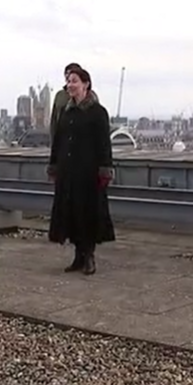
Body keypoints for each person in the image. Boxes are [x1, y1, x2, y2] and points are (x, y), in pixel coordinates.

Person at [47, 68, 115, 275]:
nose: (70, 85)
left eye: (74, 81)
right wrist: (54, 165)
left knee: (88, 213)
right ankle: (78, 255)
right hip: (69, 173)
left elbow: (104, 144)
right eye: (68, 81)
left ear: (86, 84)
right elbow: (57, 142)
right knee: (71, 214)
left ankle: (89, 255)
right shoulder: (66, 112)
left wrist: (104, 170)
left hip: (88, 174)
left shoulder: (97, 112)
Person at [49, 62, 98, 142]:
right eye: (68, 78)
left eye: (74, 80)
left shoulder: (92, 98)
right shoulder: (60, 96)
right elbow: (54, 122)